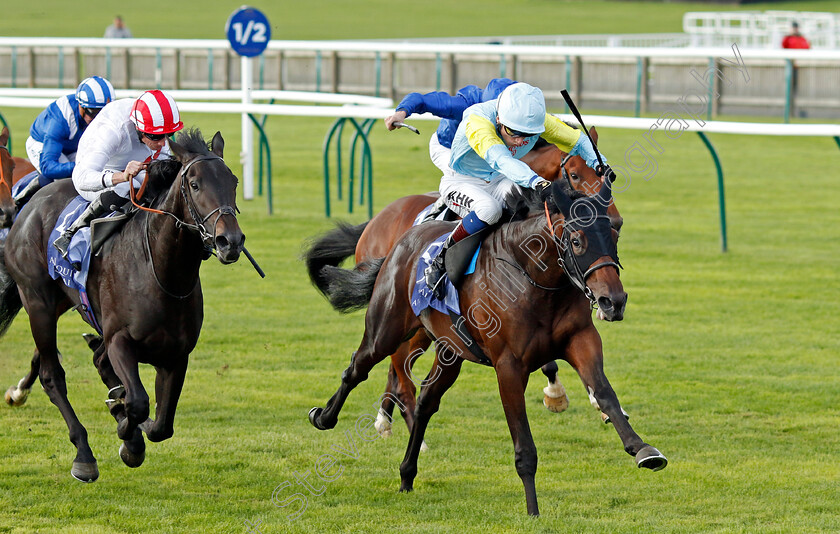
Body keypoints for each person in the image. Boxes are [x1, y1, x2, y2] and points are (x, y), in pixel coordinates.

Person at [423, 82, 609, 293]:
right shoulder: (477, 121)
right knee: (489, 210)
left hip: (499, 180)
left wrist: (600, 163)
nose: (520, 141)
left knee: (529, 207)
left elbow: (577, 140)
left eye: (528, 135)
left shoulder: (532, 121)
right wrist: (537, 181)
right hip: (461, 181)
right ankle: (439, 259)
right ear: (500, 119)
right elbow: (502, 160)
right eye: (514, 133)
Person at [52, 90, 183, 258]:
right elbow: (81, 177)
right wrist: (121, 176)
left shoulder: (154, 126)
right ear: (138, 128)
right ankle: (72, 231)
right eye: (156, 136)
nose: (163, 142)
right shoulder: (113, 130)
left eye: (168, 135)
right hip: (97, 169)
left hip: (133, 161)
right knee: (128, 186)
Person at [15, 76, 116, 206]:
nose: (97, 119)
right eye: (93, 112)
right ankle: (20, 199)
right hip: (41, 144)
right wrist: (81, 167)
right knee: (66, 179)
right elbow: (49, 167)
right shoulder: (59, 121)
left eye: (102, 113)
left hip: (72, 146)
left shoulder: (100, 114)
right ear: (81, 105)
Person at [385, 78, 516, 177]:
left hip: (481, 147)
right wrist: (400, 112)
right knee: (471, 181)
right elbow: (420, 99)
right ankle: (440, 208)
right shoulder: (462, 106)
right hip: (447, 148)